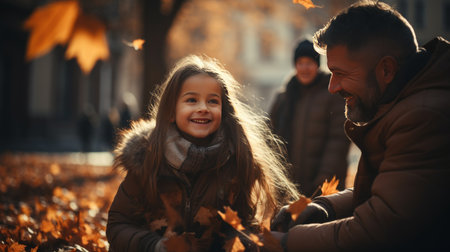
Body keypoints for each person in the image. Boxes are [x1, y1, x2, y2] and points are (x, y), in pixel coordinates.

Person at [271, 1, 450, 251]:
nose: (333, 87)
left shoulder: (423, 116)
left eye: (341, 73)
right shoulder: (403, 102)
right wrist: (323, 207)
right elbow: (384, 188)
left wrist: (286, 243)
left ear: (386, 69)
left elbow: (380, 227)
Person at [106, 55, 299, 251]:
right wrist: (153, 246)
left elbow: (242, 225)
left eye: (212, 102)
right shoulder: (148, 158)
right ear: (171, 111)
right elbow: (118, 225)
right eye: (191, 100)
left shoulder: (235, 160)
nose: (203, 108)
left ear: (224, 112)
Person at [270, 38, 350, 197]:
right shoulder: (284, 97)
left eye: (309, 63)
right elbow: (270, 138)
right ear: (295, 65)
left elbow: (338, 141)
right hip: (288, 188)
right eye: (300, 63)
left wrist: (323, 181)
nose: (304, 68)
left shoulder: (333, 94)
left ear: (317, 65)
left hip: (323, 188)